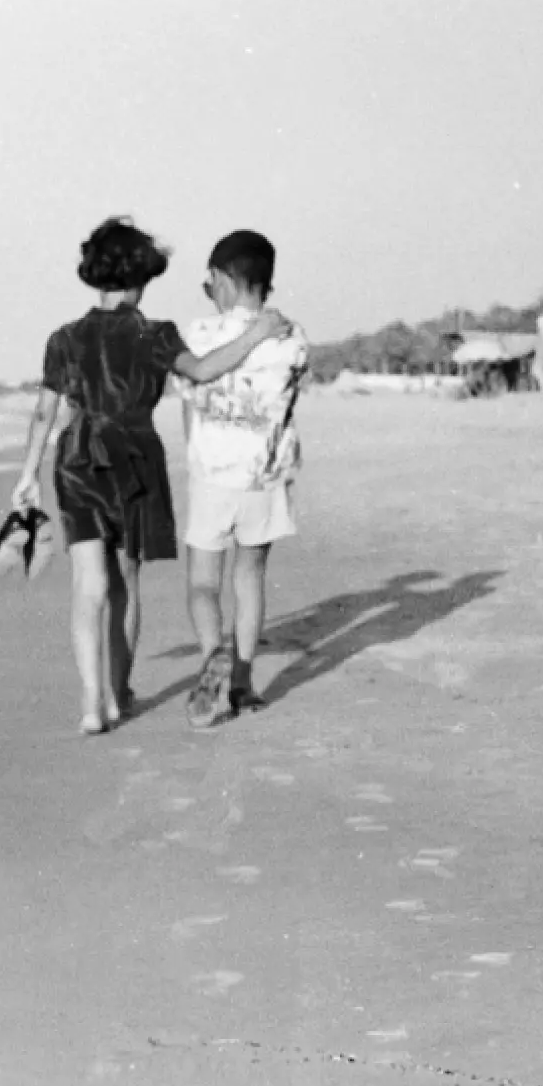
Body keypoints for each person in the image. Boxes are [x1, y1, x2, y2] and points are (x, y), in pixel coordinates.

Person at [10, 218, 291, 735]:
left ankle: (94, 705)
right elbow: (205, 370)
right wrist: (256, 333)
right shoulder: (155, 334)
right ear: (143, 277)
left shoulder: (64, 339)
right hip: (136, 460)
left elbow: (43, 413)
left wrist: (27, 476)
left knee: (88, 585)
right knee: (127, 582)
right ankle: (121, 692)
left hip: (78, 461)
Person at [172, 229, 309, 728]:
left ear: (225, 281)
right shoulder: (293, 339)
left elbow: (189, 396)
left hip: (212, 475)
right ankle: (244, 682)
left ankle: (214, 654)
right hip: (265, 477)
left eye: (210, 284)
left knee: (203, 584)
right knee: (249, 578)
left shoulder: (200, 336)